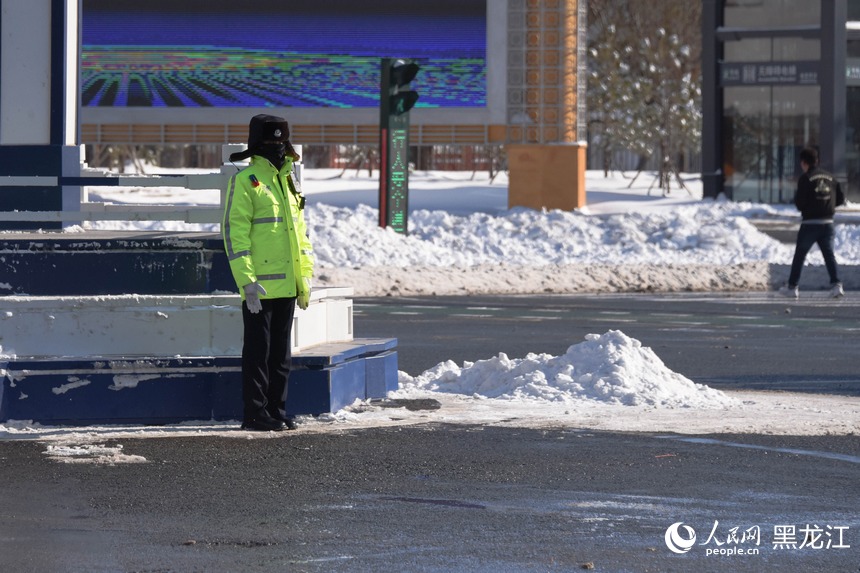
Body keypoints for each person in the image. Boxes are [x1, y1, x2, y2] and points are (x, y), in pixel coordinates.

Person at [222, 114, 314, 431]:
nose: (277, 148)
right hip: (259, 288)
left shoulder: (289, 183)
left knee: (281, 356)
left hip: (287, 285)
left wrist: (304, 279)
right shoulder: (246, 181)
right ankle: (255, 413)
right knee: (258, 354)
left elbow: (300, 236)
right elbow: (235, 235)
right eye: (271, 142)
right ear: (256, 146)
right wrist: (246, 281)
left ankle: (276, 409)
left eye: (280, 142)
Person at [779, 146, 845, 299]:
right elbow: (840, 199)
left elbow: (799, 202)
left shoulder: (806, 178)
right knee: (829, 255)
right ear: (817, 160)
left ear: (803, 163)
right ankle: (836, 285)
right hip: (828, 223)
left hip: (810, 224)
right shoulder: (831, 178)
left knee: (800, 255)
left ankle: (792, 286)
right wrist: (827, 207)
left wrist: (810, 208)